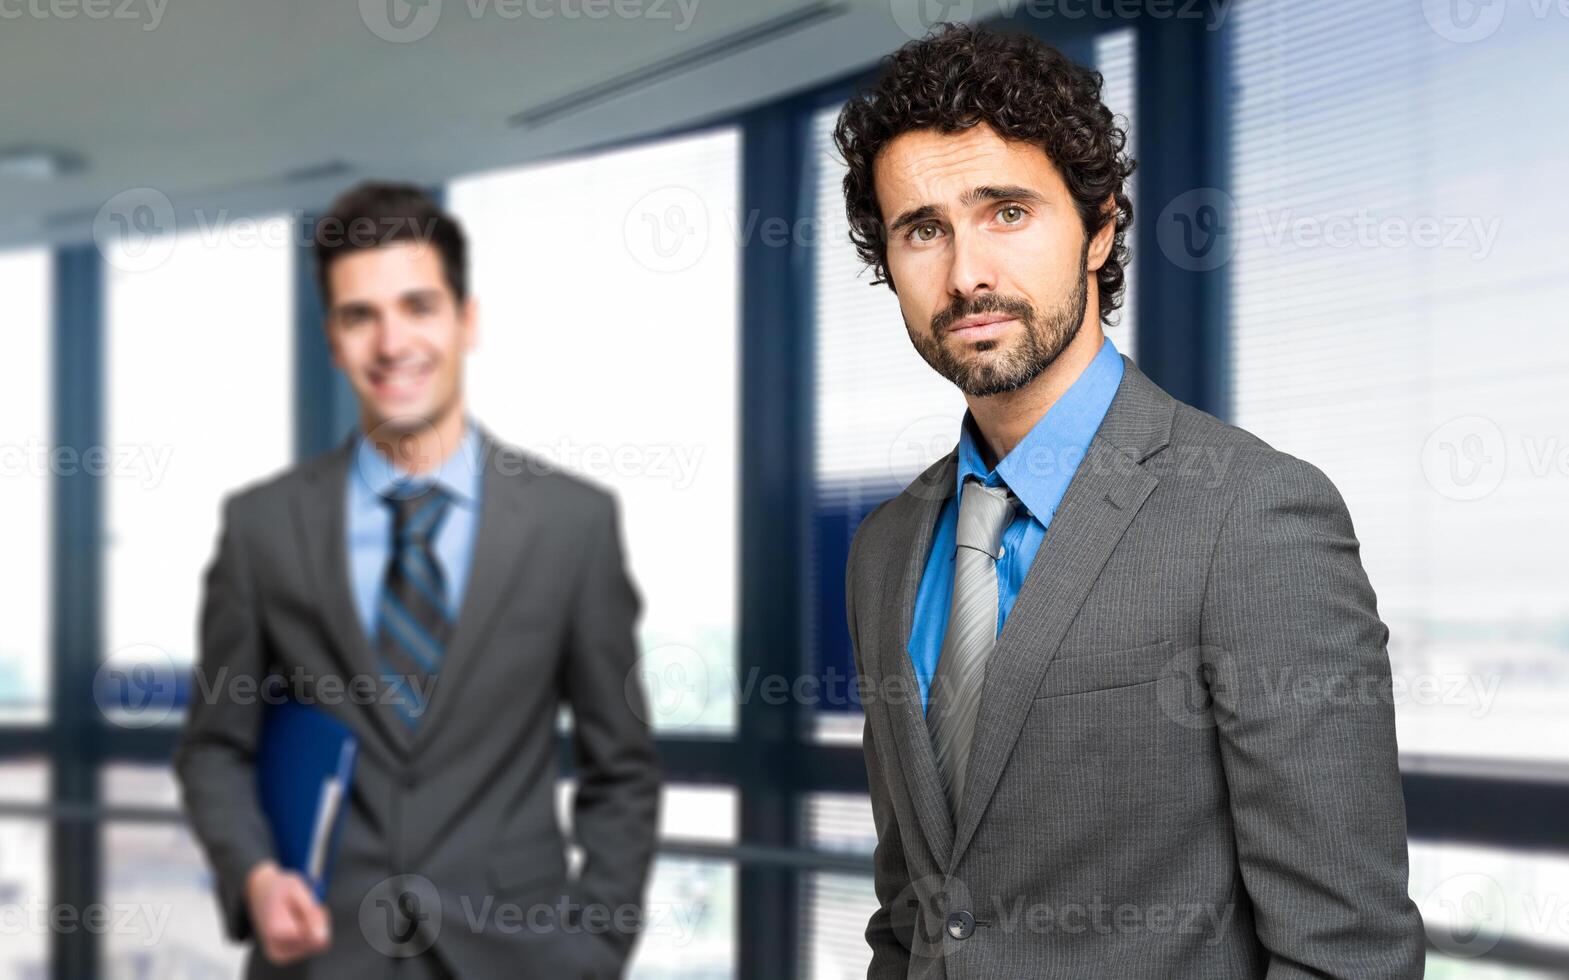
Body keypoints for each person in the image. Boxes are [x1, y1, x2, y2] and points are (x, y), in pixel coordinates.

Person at [836, 24, 1425, 978]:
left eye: (1008, 212)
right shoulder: (886, 549)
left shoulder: (1252, 517)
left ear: (1100, 228)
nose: (966, 274)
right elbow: (913, 911)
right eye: (923, 229)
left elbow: (1347, 951)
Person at [174, 182, 660, 978]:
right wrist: (256, 879)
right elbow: (215, 750)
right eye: (359, 315)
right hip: (321, 957)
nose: (391, 342)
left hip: (517, 959)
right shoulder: (262, 528)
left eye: (417, 305)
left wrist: (593, 950)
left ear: (466, 320)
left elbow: (622, 768)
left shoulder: (572, 525)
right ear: (332, 338)